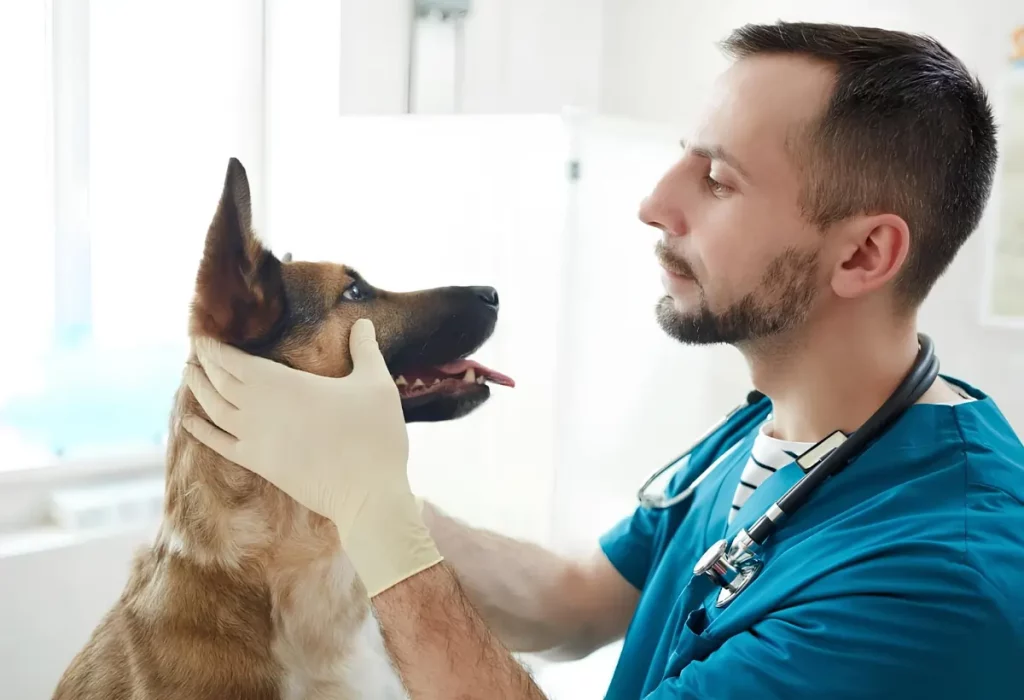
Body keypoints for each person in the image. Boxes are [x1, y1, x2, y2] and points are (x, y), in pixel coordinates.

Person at [182, 20, 1024, 699]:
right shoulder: (774, 431)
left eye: (719, 180)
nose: (655, 201)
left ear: (864, 255)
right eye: (682, 156)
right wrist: (343, 481)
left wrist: (373, 513)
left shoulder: (936, 584)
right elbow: (572, 603)